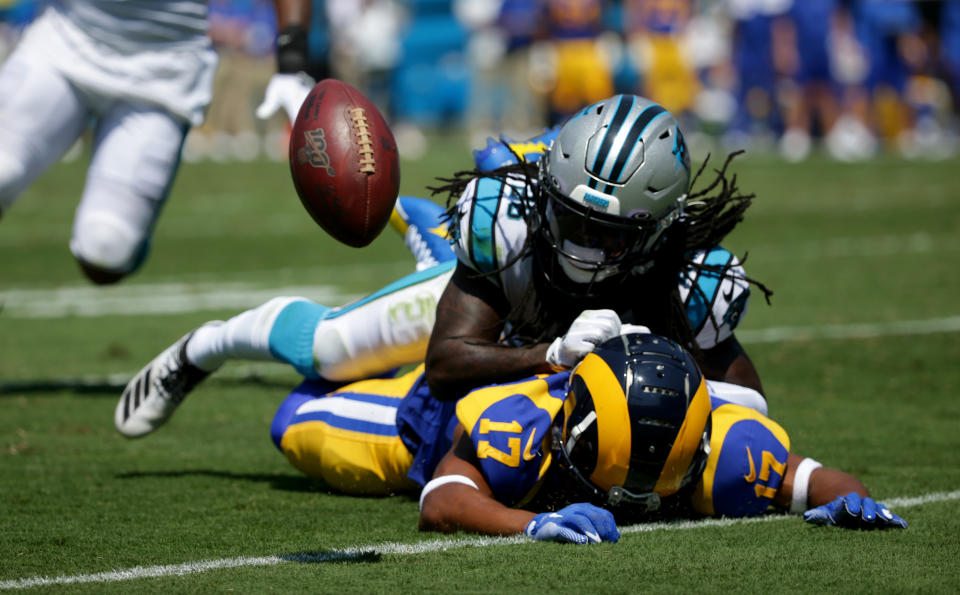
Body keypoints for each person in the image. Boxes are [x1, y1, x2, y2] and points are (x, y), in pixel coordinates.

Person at [115, 95, 770, 439]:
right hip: (502, 298)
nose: (583, 247)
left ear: (657, 231)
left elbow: (750, 402)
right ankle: (205, 344)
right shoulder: (508, 229)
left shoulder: (687, 278)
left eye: (609, 235)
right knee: (333, 347)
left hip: (524, 313)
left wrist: (651, 380)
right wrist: (552, 356)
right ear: (547, 191)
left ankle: (425, 229)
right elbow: (447, 360)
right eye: (570, 219)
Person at [151, 329, 912, 542]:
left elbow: (811, 478)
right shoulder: (517, 425)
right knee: (296, 415)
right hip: (427, 421)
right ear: (570, 426)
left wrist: (854, 500)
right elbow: (444, 494)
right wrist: (533, 518)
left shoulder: (730, 449)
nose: (632, 493)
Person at [0, 0, 314, 284]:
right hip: (66, 40)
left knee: (107, 247)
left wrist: (292, 57)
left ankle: (135, 223)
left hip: (165, 69)